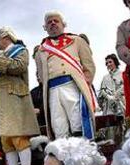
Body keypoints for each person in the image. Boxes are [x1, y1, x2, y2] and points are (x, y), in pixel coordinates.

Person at [0, 27, 40, 165]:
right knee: (7, 141)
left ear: (5, 37)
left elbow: (19, 67)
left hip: (14, 98)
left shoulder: (20, 50)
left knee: (18, 137)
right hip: (1, 101)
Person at [35, 11, 97, 139]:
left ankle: (83, 154)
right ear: (45, 28)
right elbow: (41, 75)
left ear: (63, 24)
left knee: (78, 122)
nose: (52, 23)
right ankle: (64, 156)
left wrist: (84, 84)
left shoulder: (77, 41)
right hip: (52, 90)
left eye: (55, 21)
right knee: (59, 126)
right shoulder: (41, 50)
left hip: (72, 85)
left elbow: (89, 65)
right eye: (49, 22)